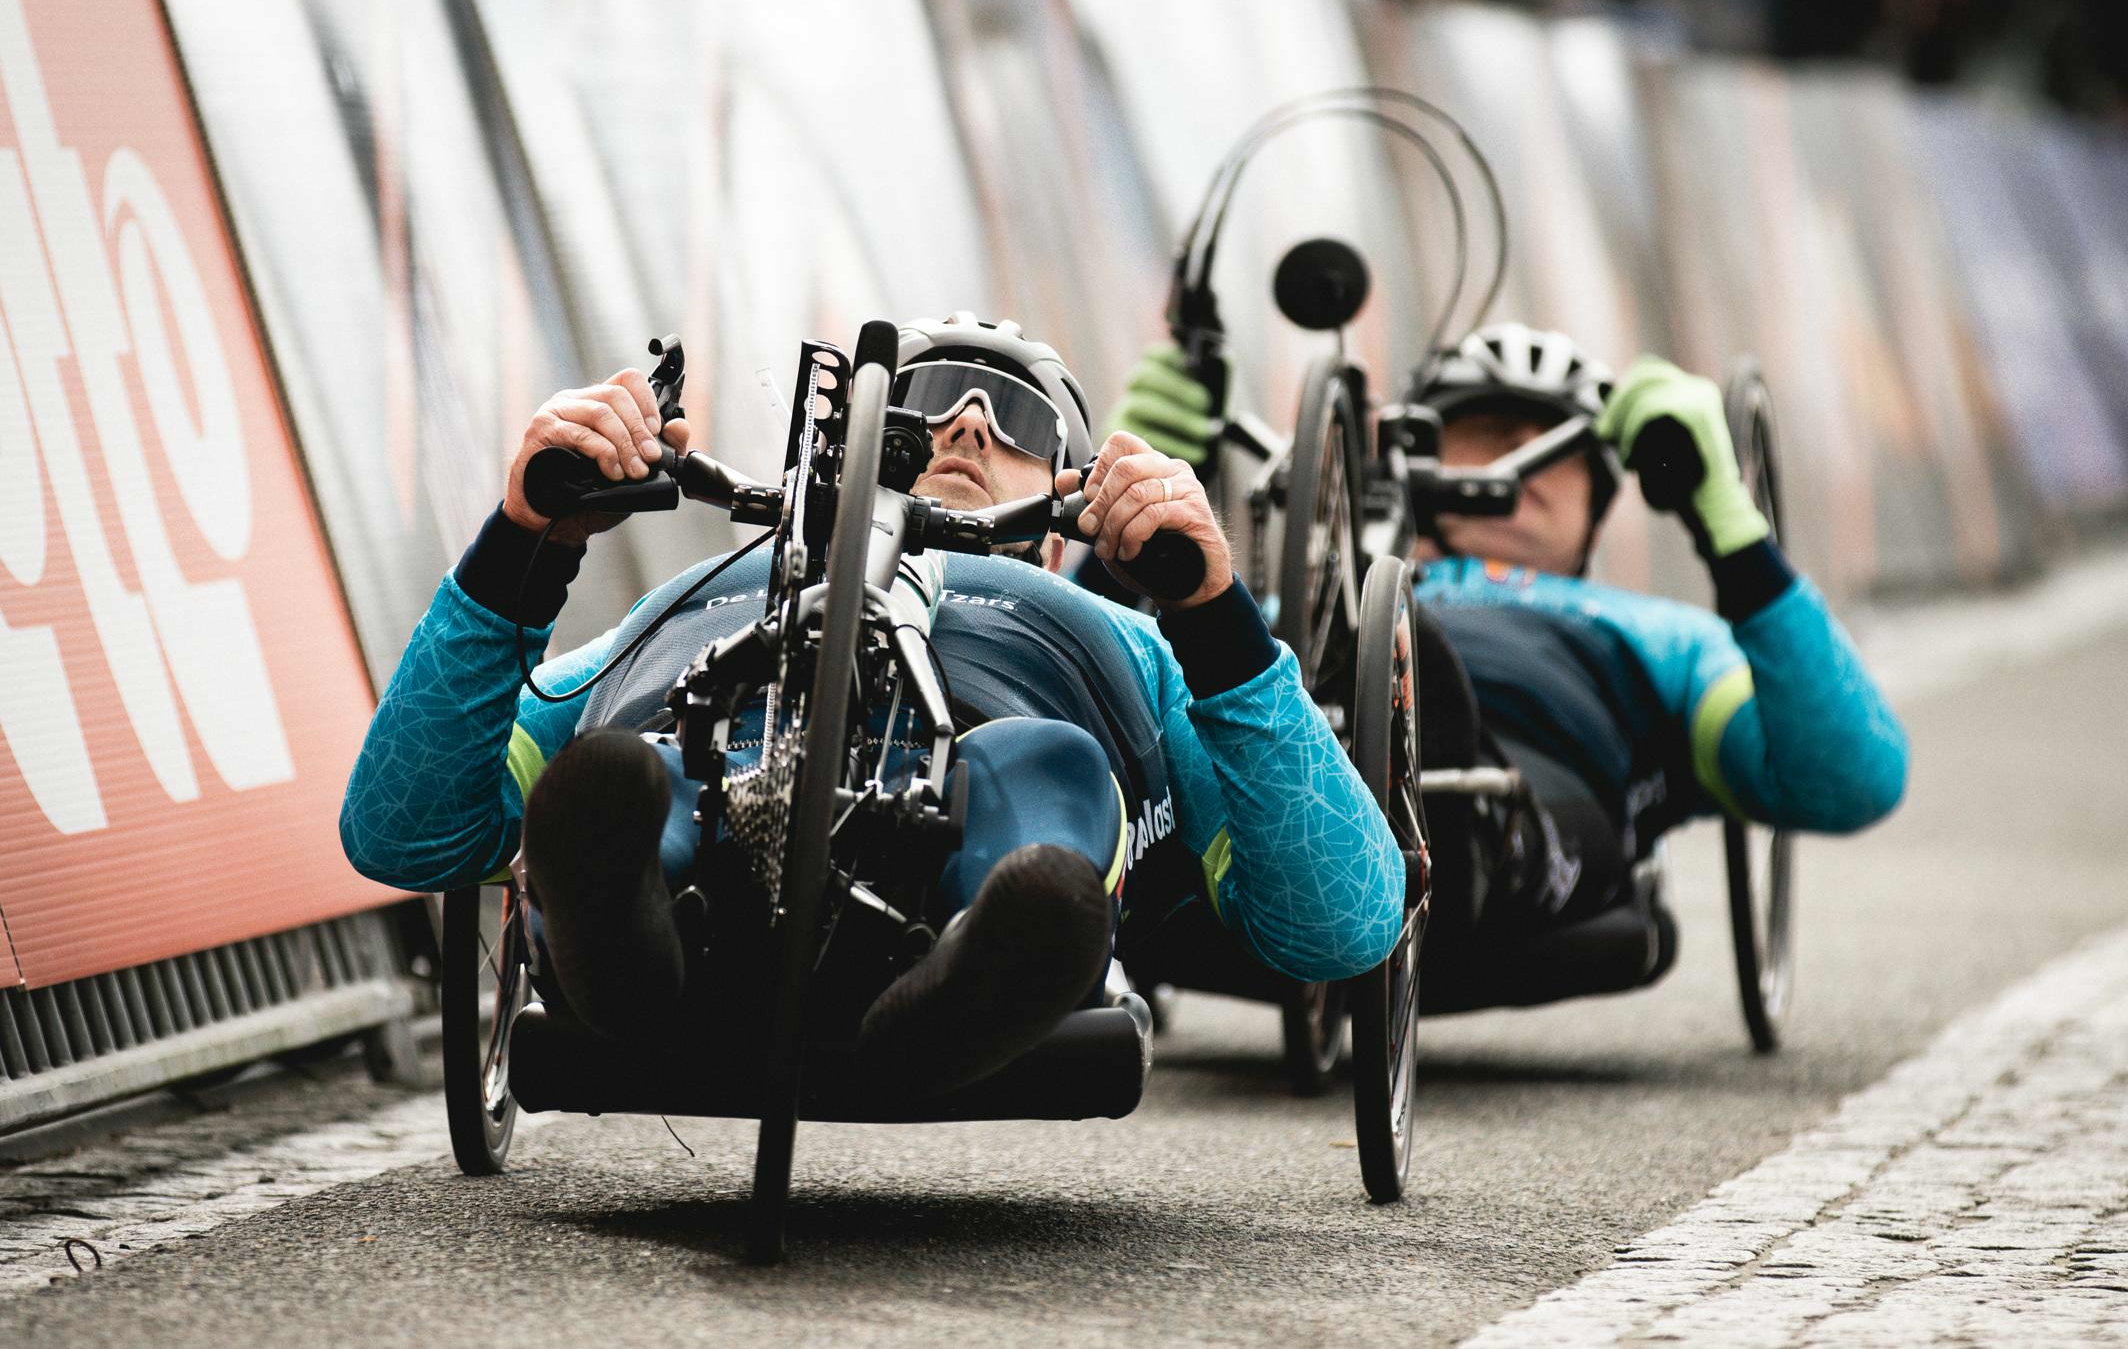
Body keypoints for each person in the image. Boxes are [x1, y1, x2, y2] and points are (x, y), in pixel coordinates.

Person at [340, 314, 1401, 1096]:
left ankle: (989, 958)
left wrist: (1213, 613)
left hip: (959, 865)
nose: (967, 428)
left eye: (1018, 415)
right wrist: (525, 534)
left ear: (1066, 516)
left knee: (1052, 767)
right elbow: (403, 832)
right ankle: (622, 933)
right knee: (629, 772)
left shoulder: (1131, 640)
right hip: (702, 844)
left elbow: (1343, 923)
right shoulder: (695, 598)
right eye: (920, 405)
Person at [1108, 324, 1909, 1003]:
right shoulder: (1284, 618)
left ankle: (1441, 796)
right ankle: (1349, 774)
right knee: (1205, 684)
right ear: (1415, 461)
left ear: (1600, 498)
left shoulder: (1663, 633)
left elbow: (1853, 778)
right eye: (1489, 428)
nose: (1519, 459)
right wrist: (1125, 519)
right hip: (1298, 746)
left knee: (1420, 691)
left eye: (1550, 444)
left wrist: (1730, 526)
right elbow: (1104, 688)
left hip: (1528, 789)